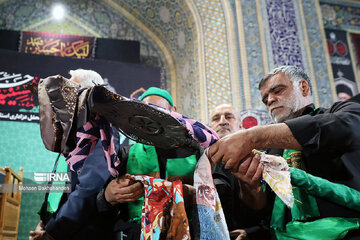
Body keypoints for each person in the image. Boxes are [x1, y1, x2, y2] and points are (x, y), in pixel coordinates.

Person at [209, 65, 360, 239]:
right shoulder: (270, 150)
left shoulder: (340, 112)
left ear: (303, 87)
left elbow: (345, 128)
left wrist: (253, 136)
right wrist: (250, 187)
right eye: (265, 99)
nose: (270, 100)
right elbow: (264, 212)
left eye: (277, 91)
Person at [96, 87, 200, 240]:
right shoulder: (126, 154)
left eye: (159, 110)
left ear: (174, 111)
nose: (152, 118)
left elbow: (214, 198)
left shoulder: (195, 152)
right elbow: (103, 205)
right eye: (146, 112)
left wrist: (191, 193)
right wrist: (108, 196)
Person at [30, 69, 118, 240]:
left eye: (70, 91)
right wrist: (44, 221)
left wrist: (52, 233)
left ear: (88, 94)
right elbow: (59, 182)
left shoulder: (102, 132)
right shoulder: (73, 132)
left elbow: (88, 190)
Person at [209, 104, 270, 240]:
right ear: (209, 127)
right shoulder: (199, 159)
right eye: (216, 118)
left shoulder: (260, 157)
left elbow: (271, 210)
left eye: (229, 117)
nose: (223, 121)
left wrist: (252, 232)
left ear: (240, 126)